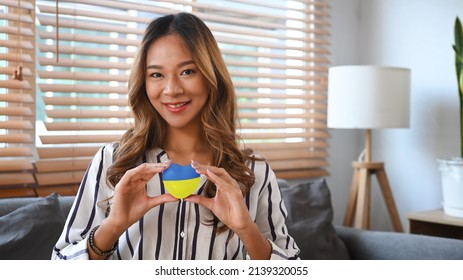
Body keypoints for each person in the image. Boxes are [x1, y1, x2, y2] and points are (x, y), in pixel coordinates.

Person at [52, 12, 300, 260]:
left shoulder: (254, 171)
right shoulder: (112, 161)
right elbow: (59, 263)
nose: (172, 90)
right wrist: (113, 225)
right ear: (144, 83)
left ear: (211, 76)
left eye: (187, 71)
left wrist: (247, 231)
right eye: (157, 75)